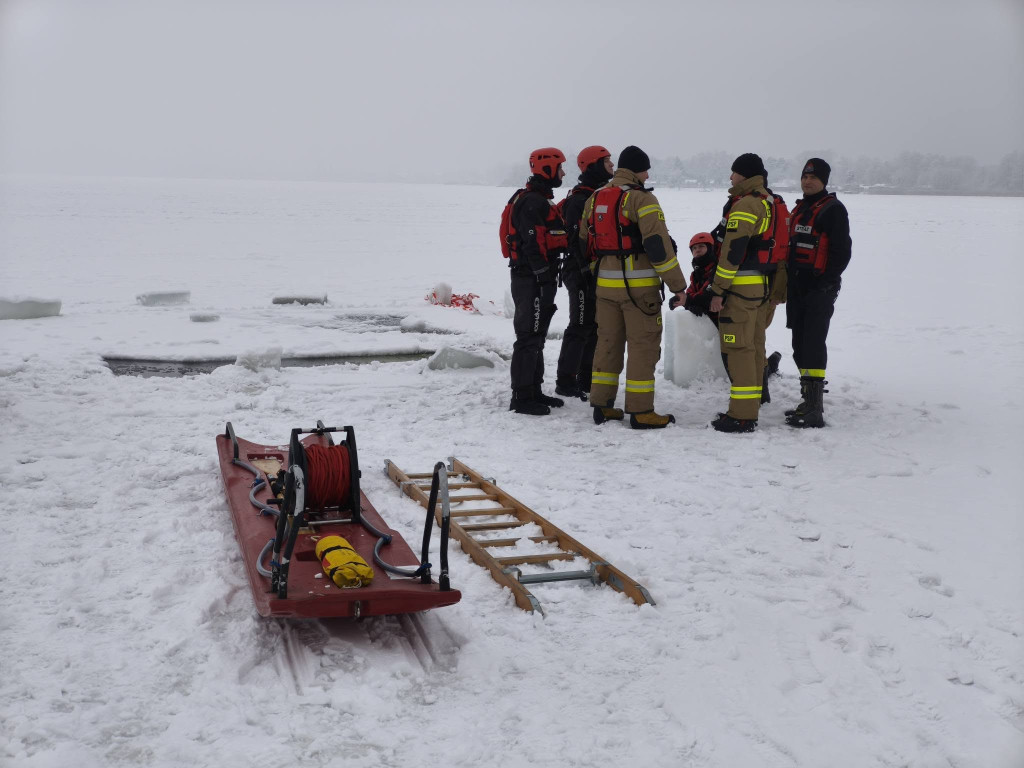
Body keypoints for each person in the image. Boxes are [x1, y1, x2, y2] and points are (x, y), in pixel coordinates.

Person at [580, 145, 688, 429]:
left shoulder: (594, 198)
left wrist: (600, 271)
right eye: (645, 169)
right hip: (639, 290)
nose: (648, 174)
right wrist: (678, 286)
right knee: (643, 348)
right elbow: (658, 247)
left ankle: (602, 406)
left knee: (607, 344)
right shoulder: (642, 199)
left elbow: (584, 242)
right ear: (637, 170)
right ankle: (641, 411)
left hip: (604, 287)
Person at [706, 153, 779, 433]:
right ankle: (753, 403)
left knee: (739, 349)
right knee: (754, 346)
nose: (730, 178)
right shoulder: (768, 201)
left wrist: (718, 289)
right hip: (761, 286)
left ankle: (742, 415)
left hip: (741, 286)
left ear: (745, 176)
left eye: (734, 173)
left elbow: (733, 252)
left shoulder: (747, 204)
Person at [784, 157, 852, 428]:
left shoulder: (833, 209)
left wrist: (826, 282)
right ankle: (807, 399)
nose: (807, 181)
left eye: (813, 177)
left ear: (823, 181)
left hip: (818, 289)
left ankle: (814, 408)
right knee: (798, 344)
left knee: (812, 343)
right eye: (804, 176)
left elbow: (842, 252)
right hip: (796, 286)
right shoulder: (801, 209)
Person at [507, 148, 569, 416]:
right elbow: (532, 244)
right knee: (528, 337)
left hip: (538, 277)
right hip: (529, 278)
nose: (563, 173)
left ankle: (534, 389)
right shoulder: (532, 201)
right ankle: (521, 397)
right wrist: (543, 277)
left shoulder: (539, 199)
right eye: (560, 168)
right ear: (547, 169)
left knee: (537, 336)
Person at [554, 146, 614, 400]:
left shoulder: (601, 195)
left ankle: (586, 379)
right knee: (580, 325)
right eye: (608, 162)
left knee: (594, 326)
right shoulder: (580, 199)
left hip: (593, 271)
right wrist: (584, 272)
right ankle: (565, 381)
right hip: (578, 272)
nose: (613, 166)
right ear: (593, 165)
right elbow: (573, 241)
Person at [682, 232, 719, 325]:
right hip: (707, 324)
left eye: (701, 246)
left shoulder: (718, 269)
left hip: (724, 322)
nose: (697, 250)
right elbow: (689, 292)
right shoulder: (696, 274)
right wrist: (690, 303)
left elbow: (706, 296)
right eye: (694, 248)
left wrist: (688, 301)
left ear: (710, 248)